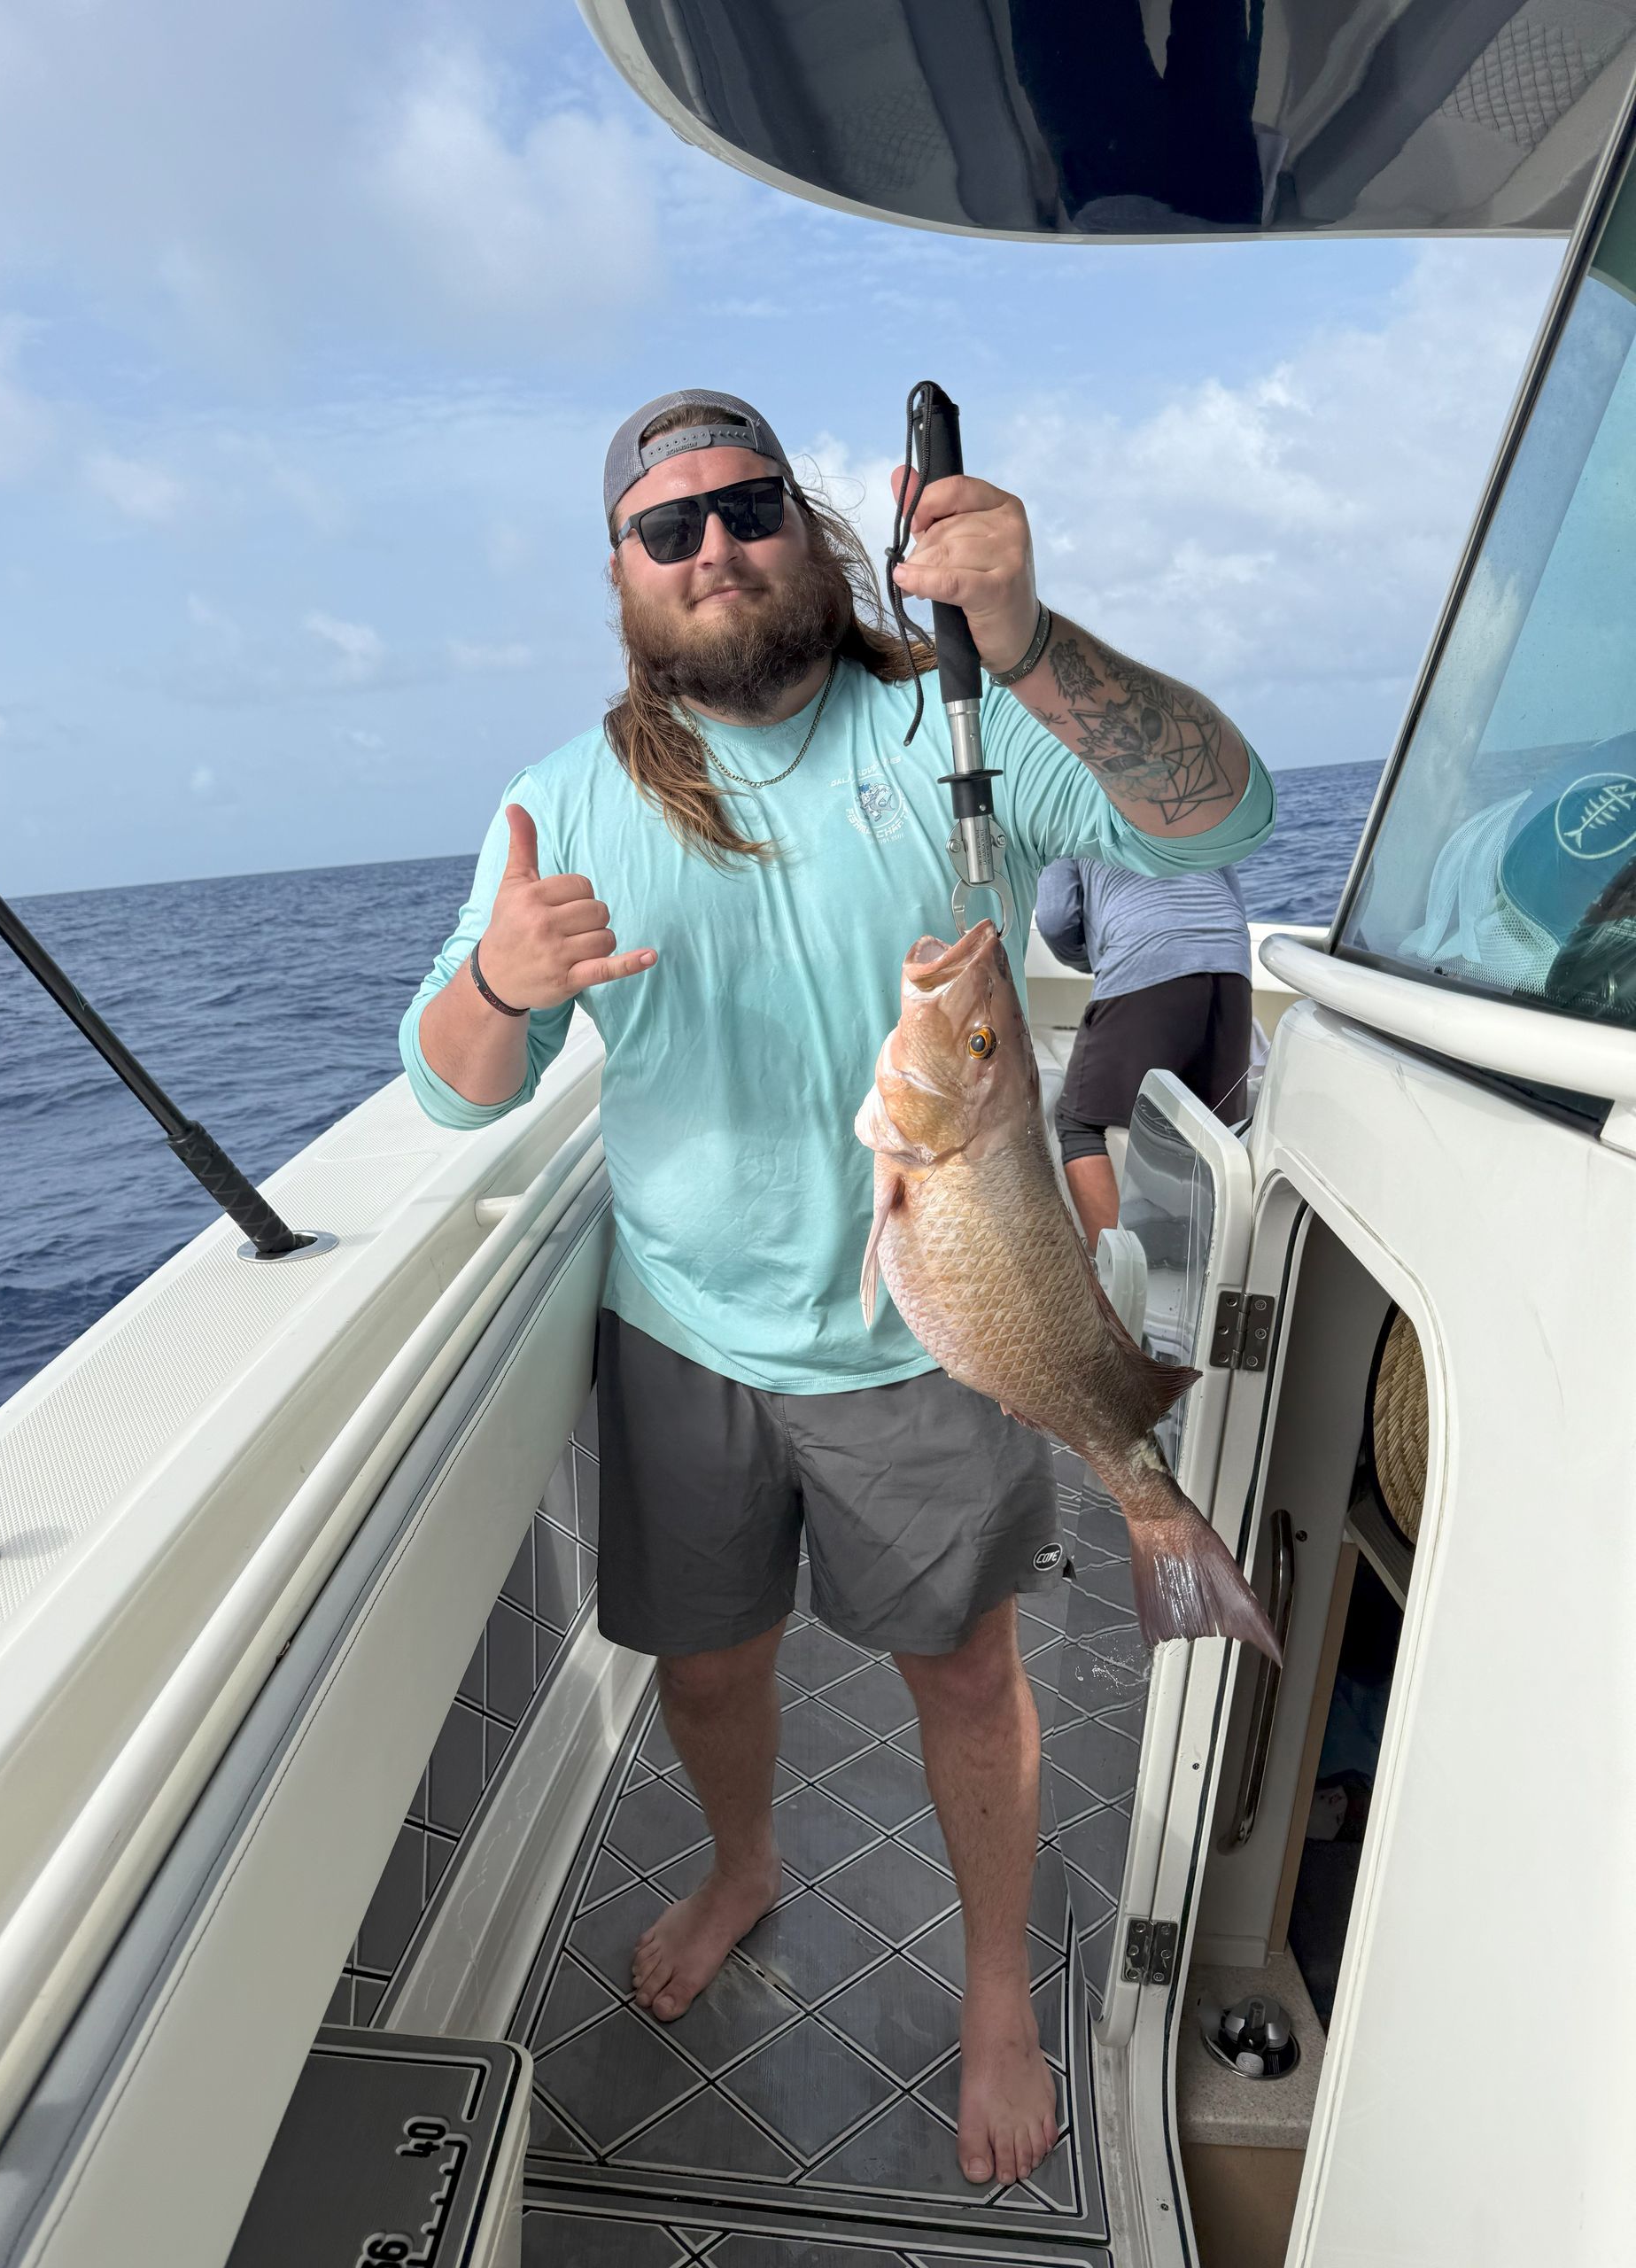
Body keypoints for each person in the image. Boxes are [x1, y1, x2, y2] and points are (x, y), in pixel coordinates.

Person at [400, 389, 1275, 2188]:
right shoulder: (563, 803)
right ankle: (743, 1862)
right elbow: (449, 1086)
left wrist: (1031, 643)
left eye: (747, 506)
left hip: (937, 1321)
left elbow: (1212, 817)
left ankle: (995, 1995)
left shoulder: (954, 724)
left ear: (813, 531)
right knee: (708, 1672)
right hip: (686, 1332)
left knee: (966, 1671)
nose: (712, 544)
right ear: (626, 577)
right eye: (668, 527)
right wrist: (495, 979)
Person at [1035, 857, 1254, 1247]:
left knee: (1077, 1123)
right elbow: (1234, 897)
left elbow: (1055, 919)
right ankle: (1208, 1267)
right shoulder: (1191, 801)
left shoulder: (1069, 809)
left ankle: (1116, 1277)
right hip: (1231, 959)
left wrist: (1099, 957)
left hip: (1144, 953)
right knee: (1211, 1131)